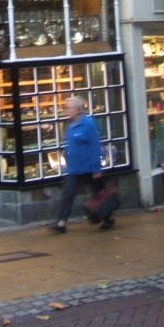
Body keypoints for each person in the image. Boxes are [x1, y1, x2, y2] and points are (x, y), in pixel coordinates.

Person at [49, 96, 115, 233]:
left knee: (98, 194)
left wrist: (97, 168)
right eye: (65, 107)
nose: (66, 110)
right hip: (73, 167)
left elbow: (95, 145)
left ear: (77, 109)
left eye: (68, 107)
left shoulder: (88, 124)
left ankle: (108, 218)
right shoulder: (70, 124)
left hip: (89, 166)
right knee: (67, 194)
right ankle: (61, 223)